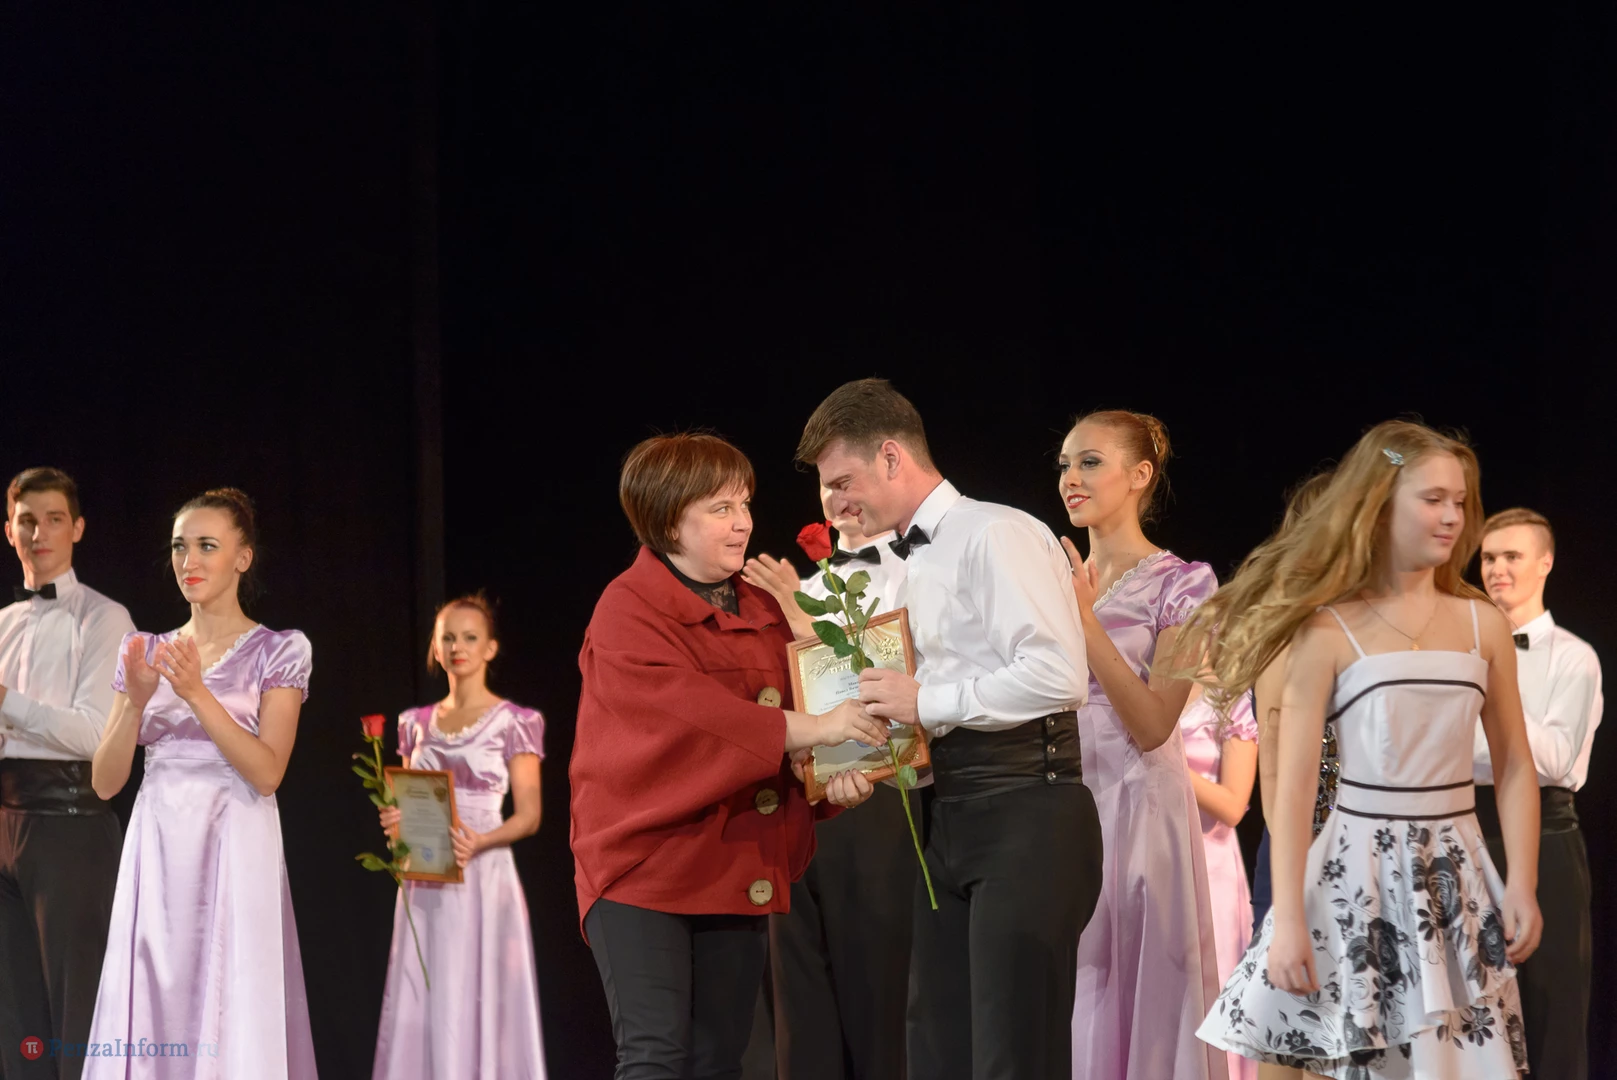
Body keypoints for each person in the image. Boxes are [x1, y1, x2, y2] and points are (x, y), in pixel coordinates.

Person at [1186, 421, 1541, 1079]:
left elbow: (1516, 762)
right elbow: (1291, 785)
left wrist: (1521, 880)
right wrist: (1289, 916)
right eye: (1431, 499)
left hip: (1455, 870)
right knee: (1352, 1058)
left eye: (1459, 501)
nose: (1451, 516)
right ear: (1380, 504)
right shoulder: (1326, 632)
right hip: (1354, 872)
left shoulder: (1483, 625)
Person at [798, 378, 1102, 1080]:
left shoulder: (995, 532)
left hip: (1027, 809)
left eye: (843, 483)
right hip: (950, 819)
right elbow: (924, 714)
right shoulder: (912, 561)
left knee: (1011, 1058)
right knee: (937, 1051)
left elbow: (1059, 677)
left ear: (891, 456)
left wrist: (926, 701)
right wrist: (862, 765)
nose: (835, 504)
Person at [570, 433, 882, 1080]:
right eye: (720, 508)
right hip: (644, 864)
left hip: (736, 855)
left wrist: (832, 776)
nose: (742, 522)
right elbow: (696, 718)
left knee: (719, 1062)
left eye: (744, 504)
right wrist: (816, 728)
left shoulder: (764, 605)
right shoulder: (627, 609)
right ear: (667, 521)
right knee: (656, 1057)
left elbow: (809, 716)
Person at [87, 488, 317, 1079]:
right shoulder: (143, 650)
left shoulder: (278, 650)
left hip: (234, 839)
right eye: (179, 546)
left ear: (243, 557)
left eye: (207, 546)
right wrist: (135, 704)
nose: (189, 561)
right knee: (154, 999)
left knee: (229, 999)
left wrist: (195, 692)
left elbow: (268, 772)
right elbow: (105, 783)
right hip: (158, 849)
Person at [1056, 410, 1226, 1080]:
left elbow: (1156, 723)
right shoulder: (1050, 574)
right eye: (1064, 464)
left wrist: (1083, 620)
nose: (1070, 478)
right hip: (1059, 797)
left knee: (1135, 985)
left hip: (1137, 804)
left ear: (1139, 474)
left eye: (1089, 462)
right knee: (1072, 986)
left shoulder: (1185, 584)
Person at [742, 484, 915, 1080]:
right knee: (800, 1005)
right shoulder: (805, 587)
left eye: (850, 481)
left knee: (880, 999)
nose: (840, 498)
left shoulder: (917, 575)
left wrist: (799, 619)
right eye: (828, 485)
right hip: (796, 803)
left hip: (883, 800)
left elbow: (889, 696)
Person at [372, 593, 547, 1080]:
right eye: (448, 637)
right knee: (429, 989)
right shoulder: (414, 724)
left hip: (484, 874)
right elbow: (410, 800)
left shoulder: (515, 723)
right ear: (435, 646)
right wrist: (396, 823)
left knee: (480, 988)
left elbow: (530, 815)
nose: (457, 647)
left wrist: (481, 841)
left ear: (490, 648)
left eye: (470, 637)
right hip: (428, 876)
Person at [0, 468, 133, 1080]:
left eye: (54, 519)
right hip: (8, 820)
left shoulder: (105, 618)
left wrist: (8, 705)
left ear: (77, 528)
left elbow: (94, 734)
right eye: (27, 520)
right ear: (9, 531)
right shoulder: (4, 623)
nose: (40, 533)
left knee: (77, 1010)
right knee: (16, 1016)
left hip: (72, 822)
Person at [1472, 507, 1601, 1079]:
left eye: (1512, 556)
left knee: (1552, 1012)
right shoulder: (1460, 653)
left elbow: (1553, 759)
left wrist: (1495, 682)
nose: (1497, 569)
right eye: (1488, 558)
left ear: (1545, 563)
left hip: (1547, 837)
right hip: (1468, 831)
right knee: (1473, 1012)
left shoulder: (1574, 656)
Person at [1247, 472, 1338, 936]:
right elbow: (1274, 769)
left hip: (1378, 848)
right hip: (1302, 850)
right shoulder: (1290, 630)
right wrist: (1298, 876)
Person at [1178, 685, 1257, 1080]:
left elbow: (1233, 805)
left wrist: (1165, 759)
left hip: (1213, 871)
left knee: (1211, 993)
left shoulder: (1230, 700)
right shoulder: (1140, 686)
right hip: (1155, 852)